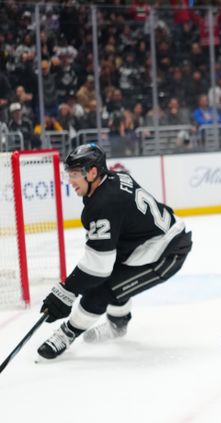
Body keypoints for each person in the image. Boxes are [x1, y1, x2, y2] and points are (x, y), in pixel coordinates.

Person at [37, 144, 193, 359]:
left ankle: (67, 334)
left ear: (92, 172)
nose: (70, 181)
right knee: (111, 277)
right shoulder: (113, 179)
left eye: (75, 174)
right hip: (146, 242)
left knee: (101, 291)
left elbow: (97, 267)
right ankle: (118, 325)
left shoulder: (104, 203)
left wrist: (66, 292)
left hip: (166, 253)